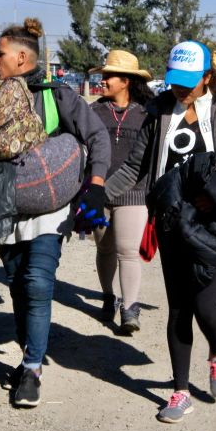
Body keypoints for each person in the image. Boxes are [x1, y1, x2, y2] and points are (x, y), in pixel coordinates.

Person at [104, 41, 216, 423]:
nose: (180, 89)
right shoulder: (159, 112)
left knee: (207, 308)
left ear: (207, 77)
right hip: (171, 222)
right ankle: (180, 391)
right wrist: (95, 197)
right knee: (178, 309)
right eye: (175, 81)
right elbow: (134, 168)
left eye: (189, 83)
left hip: (214, 224)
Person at [0, 18, 110, 407]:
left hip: (49, 210)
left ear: (21, 58)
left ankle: (33, 368)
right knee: (16, 283)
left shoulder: (57, 96)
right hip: (5, 207)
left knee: (39, 283)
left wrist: (95, 185)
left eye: (1, 53)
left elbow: (97, 137)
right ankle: (29, 356)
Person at [88, 50, 155, 333]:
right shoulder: (93, 111)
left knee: (127, 250)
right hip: (98, 190)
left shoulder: (146, 114)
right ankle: (108, 296)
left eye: (109, 76)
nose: (103, 81)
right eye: (102, 76)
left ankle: (130, 309)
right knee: (105, 248)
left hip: (134, 192)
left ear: (126, 81)